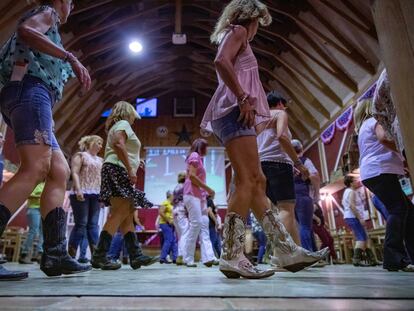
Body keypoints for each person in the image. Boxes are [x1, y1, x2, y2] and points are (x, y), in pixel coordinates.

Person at [201, 0, 327, 279]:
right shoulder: (238, 31)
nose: (258, 28)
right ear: (252, 18)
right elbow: (221, 61)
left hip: (235, 112)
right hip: (235, 111)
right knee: (248, 180)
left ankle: (285, 250)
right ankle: (232, 254)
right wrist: (244, 98)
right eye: (259, 21)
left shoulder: (234, 34)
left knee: (258, 183)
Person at [0, 0, 92, 280]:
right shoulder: (48, 13)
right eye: (70, 2)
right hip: (30, 91)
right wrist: (71, 58)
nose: (72, 7)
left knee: (59, 171)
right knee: (35, 167)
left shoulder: (52, 29)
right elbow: (26, 30)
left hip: (35, 98)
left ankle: (55, 255)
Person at [92, 101, 157, 270]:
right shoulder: (123, 123)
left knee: (127, 214)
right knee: (120, 212)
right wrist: (130, 169)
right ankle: (99, 256)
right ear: (129, 113)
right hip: (118, 169)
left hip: (113, 168)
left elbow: (121, 148)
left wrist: (135, 162)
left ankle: (136, 256)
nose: (135, 119)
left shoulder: (117, 125)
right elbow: (119, 144)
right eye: (134, 116)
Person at [354, 100, 414, 272]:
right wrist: (403, 153)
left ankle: (407, 256)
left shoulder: (364, 127)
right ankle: (394, 258)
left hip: (371, 172)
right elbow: (383, 139)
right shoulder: (376, 122)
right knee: (399, 209)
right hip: (380, 170)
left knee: (408, 210)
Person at [257, 92, 310, 246]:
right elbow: (282, 137)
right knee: (286, 209)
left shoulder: (258, 120)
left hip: (261, 165)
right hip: (279, 163)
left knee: (284, 211)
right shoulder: (280, 113)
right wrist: (298, 163)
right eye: (284, 104)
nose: (285, 108)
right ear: (280, 103)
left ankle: (298, 253)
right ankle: (283, 256)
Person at [68, 135, 103, 263]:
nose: (100, 145)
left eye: (101, 143)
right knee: (81, 224)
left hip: (96, 194)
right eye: (98, 142)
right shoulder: (80, 155)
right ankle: (70, 256)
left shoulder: (100, 160)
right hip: (81, 192)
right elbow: (75, 172)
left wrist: (103, 196)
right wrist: (78, 189)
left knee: (93, 225)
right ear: (90, 142)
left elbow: (100, 179)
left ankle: (97, 257)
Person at [181, 138, 216, 267]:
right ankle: (187, 257)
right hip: (191, 194)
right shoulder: (195, 156)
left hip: (200, 197)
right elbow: (192, 177)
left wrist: (205, 192)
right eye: (206, 147)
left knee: (204, 225)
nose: (207, 150)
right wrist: (209, 189)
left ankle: (208, 257)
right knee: (196, 224)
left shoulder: (199, 159)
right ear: (201, 147)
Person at [291, 139, 319, 252]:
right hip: (303, 194)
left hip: (291, 196)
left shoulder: (287, 164)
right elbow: (315, 176)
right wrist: (317, 194)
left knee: (303, 225)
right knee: (305, 226)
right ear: (301, 149)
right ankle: (308, 254)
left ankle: (313, 253)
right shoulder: (304, 160)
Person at [342, 175, 374, 266]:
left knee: (364, 237)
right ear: (351, 183)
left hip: (350, 216)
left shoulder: (346, 192)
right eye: (355, 180)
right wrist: (360, 218)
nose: (357, 182)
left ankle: (371, 259)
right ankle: (356, 259)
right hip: (353, 217)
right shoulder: (352, 192)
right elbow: (352, 206)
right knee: (362, 238)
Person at [19, 182, 45, 264]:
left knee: (43, 232)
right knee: (33, 230)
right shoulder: (35, 183)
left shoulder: (46, 184)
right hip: (33, 208)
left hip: (43, 209)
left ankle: (40, 254)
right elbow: (28, 194)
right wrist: (41, 196)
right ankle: (24, 254)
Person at [172, 172, 188, 266]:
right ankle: (182, 256)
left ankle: (180, 255)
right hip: (182, 211)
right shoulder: (186, 187)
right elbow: (186, 199)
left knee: (180, 236)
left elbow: (173, 200)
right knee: (185, 233)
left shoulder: (176, 187)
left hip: (175, 211)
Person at [159, 191, 178, 264]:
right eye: (173, 195)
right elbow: (160, 212)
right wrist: (168, 220)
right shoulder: (165, 202)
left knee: (173, 241)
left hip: (171, 224)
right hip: (165, 223)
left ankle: (175, 258)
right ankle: (163, 257)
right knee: (169, 240)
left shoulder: (171, 204)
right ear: (170, 195)